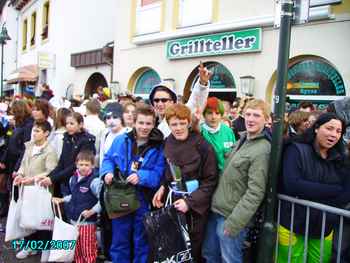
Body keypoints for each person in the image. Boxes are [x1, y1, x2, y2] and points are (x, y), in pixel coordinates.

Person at [202, 99, 272, 263]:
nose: (250, 119)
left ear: (266, 120)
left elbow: (255, 192)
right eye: (248, 114)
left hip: (231, 217)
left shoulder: (262, 149)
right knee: (210, 255)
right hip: (217, 211)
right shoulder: (242, 139)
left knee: (230, 259)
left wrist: (235, 222)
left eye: (256, 115)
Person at [278, 112, 349, 263]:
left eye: (338, 131)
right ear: (316, 128)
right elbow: (293, 185)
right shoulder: (296, 149)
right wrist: (333, 190)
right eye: (329, 128)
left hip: (323, 228)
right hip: (292, 224)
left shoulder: (340, 159)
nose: (334, 135)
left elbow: (345, 195)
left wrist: (310, 191)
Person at [152, 103, 218, 263]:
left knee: (192, 252)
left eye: (182, 123)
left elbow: (210, 181)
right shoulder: (168, 142)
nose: (178, 128)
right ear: (168, 125)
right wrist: (162, 186)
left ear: (189, 122)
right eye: (174, 124)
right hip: (172, 204)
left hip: (195, 210)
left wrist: (190, 202)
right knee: (172, 251)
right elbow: (169, 172)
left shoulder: (203, 145)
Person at [101, 104, 165, 263]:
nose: (144, 127)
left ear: (154, 123)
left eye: (148, 123)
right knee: (119, 240)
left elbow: (159, 174)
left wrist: (141, 176)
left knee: (141, 241)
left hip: (143, 197)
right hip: (120, 193)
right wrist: (106, 172)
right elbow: (108, 158)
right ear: (134, 122)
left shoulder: (159, 145)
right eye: (141, 123)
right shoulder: (121, 139)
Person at [13, 120, 58, 260]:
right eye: (34, 130)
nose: (34, 133)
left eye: (38, 131)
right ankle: (30, 246)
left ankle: (45, 248)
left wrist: (33, 179)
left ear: (46, 133)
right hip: (26, 189)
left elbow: (50, 171)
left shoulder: (50, 150)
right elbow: (23, 164)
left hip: (41, 190)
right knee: (27, 219)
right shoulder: (29, 146)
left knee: (43, 220)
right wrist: (20, 174)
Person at [53, 150, 101, 263]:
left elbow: (103, 200)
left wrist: (92, 211)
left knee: (88, 250)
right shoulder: (72, 179)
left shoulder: (94, 181)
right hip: (74, 221)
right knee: (77, 251)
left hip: (87, 223)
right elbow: (73, 196)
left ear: (92, 165)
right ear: (76, 164)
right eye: (81, 164)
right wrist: (62, 199)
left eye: (87, 165)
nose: (83, 167)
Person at [39, 112, 96, 197]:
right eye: (67, 124)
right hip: (64, 181)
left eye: (72, 124)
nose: (68, 126)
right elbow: (62, 163)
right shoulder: (67, 138)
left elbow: (76, 165)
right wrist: (49, 177)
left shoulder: (86, 141)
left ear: (80, 124)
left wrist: (53, 179)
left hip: (78, 182)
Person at [148, 62, 211, 137]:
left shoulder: (180, 117)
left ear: (172, 101)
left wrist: (202, 84)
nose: (160, 104)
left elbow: (195, 101)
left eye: (164, 100)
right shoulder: (149, 122)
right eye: (156, 100)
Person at [200, 97, 236, 173]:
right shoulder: (199, 132)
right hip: (207, 178)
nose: (213, 117)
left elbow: (234, 155)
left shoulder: (228, 131)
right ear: (204, 115)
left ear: (221, 115)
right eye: (210, 113)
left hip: (226, 176)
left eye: (217, 113)